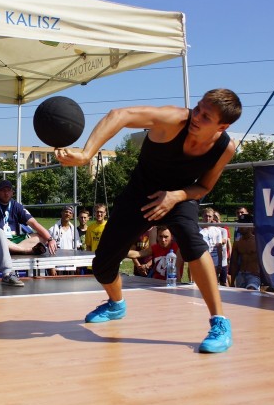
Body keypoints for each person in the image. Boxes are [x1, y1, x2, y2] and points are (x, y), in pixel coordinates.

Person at [55, 88, 242, 353]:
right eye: (198, 107)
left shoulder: (226, 148)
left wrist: (175, 196)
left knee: (192, 242)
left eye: (206, 116)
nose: (197, 116)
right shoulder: (172, 120)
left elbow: (204, 187)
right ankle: (116, 304)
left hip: (180, 197)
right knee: (102, 266)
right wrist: (86, 154)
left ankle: (220, 323)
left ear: (222, 126)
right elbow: (120, 115)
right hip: (139, 195)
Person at [0, 179, 57, 256]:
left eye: (8, 190)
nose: (6, 193)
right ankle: (25, 250)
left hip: (14, 239)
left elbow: (34, 223)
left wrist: (50, 239)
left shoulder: (16, 206)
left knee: (42, 238)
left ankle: (13, 249)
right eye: (3, 190)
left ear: (12, 193)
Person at [229, 214, 261, 290]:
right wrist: (232, 282)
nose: (241, 227)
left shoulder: (257, 241)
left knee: (251, 291)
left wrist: (262, 276)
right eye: (240, 224)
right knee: (241, 299)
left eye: (243, 224)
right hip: (241, 275)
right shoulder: (237, 243)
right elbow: (234, 263)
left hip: (254, 275)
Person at [47, 205, 81, 276]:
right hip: (57, 267)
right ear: (62, 213)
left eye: (70, 213)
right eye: (66, 211)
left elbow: (77, 249)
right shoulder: (52, 230)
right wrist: (51, 267)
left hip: (71, 266)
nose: (68, 214)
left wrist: (77, 266)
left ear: (72, 216)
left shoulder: (74, 231)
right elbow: (48, 250)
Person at [198, 207, 225, 286]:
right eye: (206, 216)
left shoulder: (217, 230)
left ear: (213, 217)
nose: (207, 218)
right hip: (202, 258)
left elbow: (219, 247)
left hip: (214, 259)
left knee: (213, 282)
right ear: (202, 216)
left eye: (210, 216)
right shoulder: (197, 230)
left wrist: (220, 263)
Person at [213, 210, 231, 286]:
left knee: (223, 281)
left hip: (223, 260)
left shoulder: (223, 230)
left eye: (216, 217)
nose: (214, 220)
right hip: (213, 260)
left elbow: (224, 241)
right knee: (214, 281)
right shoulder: (208, 230)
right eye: (213, 218)